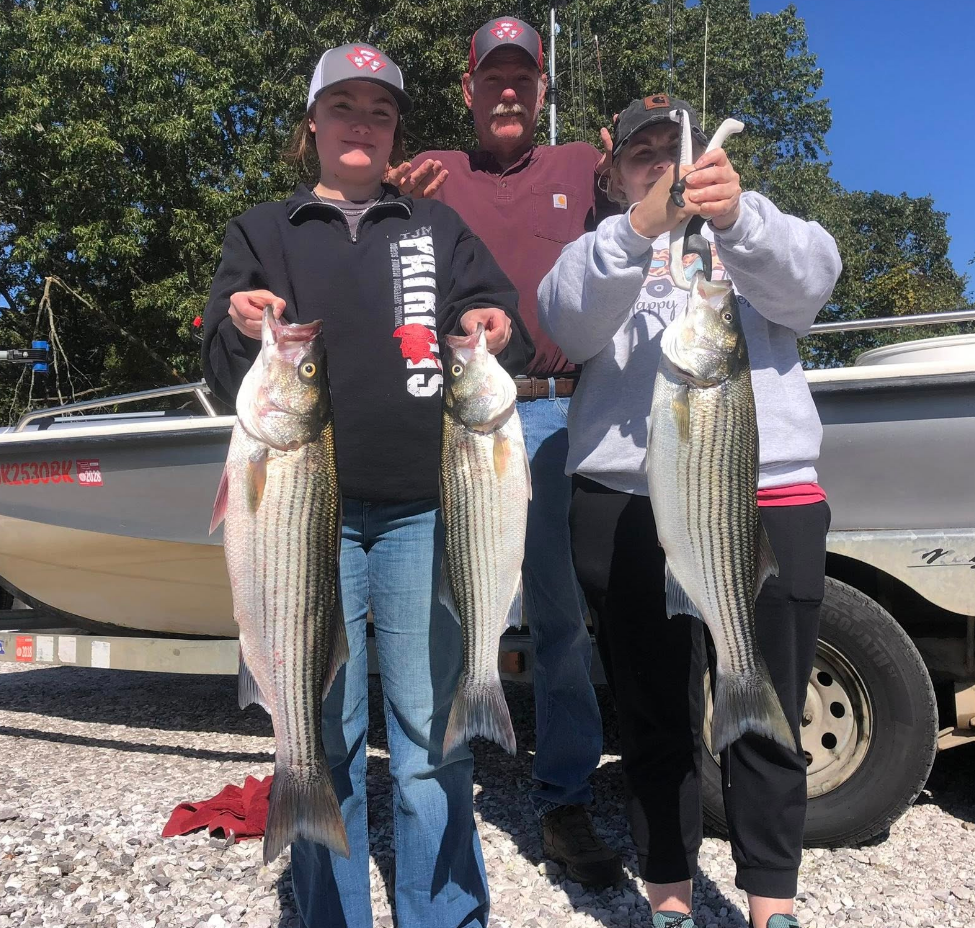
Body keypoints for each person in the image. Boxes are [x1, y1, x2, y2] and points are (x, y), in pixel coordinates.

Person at [201, 43, 534, 928]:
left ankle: (447, 914)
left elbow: (507, 331)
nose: (362, 123)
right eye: (344, 106)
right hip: (307, 527)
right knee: (322, 735)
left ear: (395, 132)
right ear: (313, 122)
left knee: (431, 744)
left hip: (432, 514)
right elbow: (218, 364)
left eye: (379, 110)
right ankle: (327, 916)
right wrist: (240, 327)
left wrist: (494, 323)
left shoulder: (435, 227)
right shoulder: (263, 231)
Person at [537, 95, 842, 928]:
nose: (665, 169)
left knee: (769, 710)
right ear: (613, 171)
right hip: (623, 506)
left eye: (676, 153)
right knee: (650, 711)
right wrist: (639, 228)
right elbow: (564, 317)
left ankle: (771, 904)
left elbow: (812, 284)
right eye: (643, 155)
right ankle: (669, 894)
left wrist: (738, 218)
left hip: (765, 493)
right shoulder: (597, 248)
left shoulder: (759, 227)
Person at [396, 16, 623, 887]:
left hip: (566, 416)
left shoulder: (578, 167)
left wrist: (642, 157)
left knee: (563, 623)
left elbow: (649, 228)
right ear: (467, 90)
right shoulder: (434, 174)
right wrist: (387, 198)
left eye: (521, 78)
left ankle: (565, 799)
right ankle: (444, 786)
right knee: (451, 612)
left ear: (540, 88)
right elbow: (393, 281)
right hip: (460, 418)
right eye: (491, 77)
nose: (506, 91)